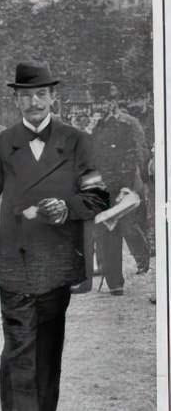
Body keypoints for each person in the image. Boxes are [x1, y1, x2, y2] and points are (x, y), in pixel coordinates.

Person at [0, 62, 109, 411]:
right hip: (13, 255)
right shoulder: (1, 143)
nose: (33, 102)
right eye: (25, 95)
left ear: (53, 97)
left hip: (57, 256)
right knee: (19, 339)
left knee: (49, 339)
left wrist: (66, 207)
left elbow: (98, 196)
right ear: (15, 100)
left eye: (40, 95)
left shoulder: (77, 140)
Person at [88, 91, 150, 293]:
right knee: (105, 231)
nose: (99, 105)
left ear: (113, 102)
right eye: (97, 101)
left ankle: (136, 265)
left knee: (126, 226)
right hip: (101, 185)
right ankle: (113, 281)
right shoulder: (96, 127)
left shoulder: (125, 124)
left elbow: (133, 155)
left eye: (103, 100)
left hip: (120, 185)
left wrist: (126, 185)